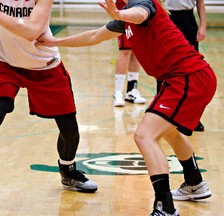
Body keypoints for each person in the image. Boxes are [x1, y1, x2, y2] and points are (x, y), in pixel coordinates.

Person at [36, 0, 215, 215]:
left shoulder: (142, 4)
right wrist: (54, 41)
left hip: (188, 77)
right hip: (185, 78)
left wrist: (120, 13)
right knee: (169, 132)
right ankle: (194, 183)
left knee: (144, 136)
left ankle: (165, 207)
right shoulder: (125, 20)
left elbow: (140, 13)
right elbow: (94, 36)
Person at [0, 0, 97, 209]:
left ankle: (68, 171)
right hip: (6, 63)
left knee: (69, 129)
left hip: (44, 65)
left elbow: (32, 30)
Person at [165, 0, 207, 132]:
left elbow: (200, 2)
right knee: (165, 66)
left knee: (191, 69)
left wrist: (203, 26)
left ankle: (191, 117)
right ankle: (163, 113)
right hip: (166, 18)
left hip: (187, 20)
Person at [113, 0, 146, 107]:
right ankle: (117, 92)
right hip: (125, 10)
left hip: (139, 9)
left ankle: (132, 90)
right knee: (125, 50)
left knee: (136, 50)